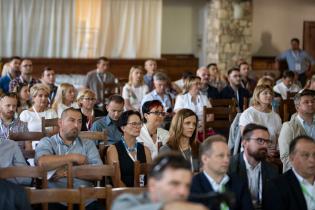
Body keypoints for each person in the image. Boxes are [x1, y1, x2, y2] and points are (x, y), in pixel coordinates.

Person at [35, 108, 104, 210]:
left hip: (86, 199)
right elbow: (42, 163)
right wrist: (74, 157)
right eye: (72, 120)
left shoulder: (88, 144)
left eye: (79, 121)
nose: (76, 125)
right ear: (60, 123)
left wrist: (67, 171)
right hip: (56, 198)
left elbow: (99, 173)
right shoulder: (47, 142)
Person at [111, 152, 207, 210]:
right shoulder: (126, 202)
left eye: (187, 186)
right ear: (153, 185)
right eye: (174, 183)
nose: (183, 192)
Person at [189, 135, 254, 210]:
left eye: (228, 156)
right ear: (205, 159)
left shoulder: (239, 182)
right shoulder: (192, 186)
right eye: (221, 156)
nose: (226, 160)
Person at [229, 123, 279, 209]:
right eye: (260, 140)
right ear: (245, 142)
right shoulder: (230, 167)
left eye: (267, 141)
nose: (265, 145)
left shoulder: (272, 170)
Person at [265, 135, 315, 210]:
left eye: (314, 155)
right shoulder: (277, 187)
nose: (312, 160)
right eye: (305, 155)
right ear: (292, 158)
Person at [107, 110, 152, 187]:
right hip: (123, 195)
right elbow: (117, 181)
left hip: (143, 194)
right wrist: (131, 196)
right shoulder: (113, 150)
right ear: (123, 127)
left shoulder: (146, 150)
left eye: (139, 123)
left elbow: (151, 177)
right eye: (133, 124)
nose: (138, 126)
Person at [279, 89, 315, 172]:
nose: (311, 104)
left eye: (313, 101)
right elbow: (285, 157)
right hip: (297, 175)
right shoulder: (288, 127)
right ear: (297, 107)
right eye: (306, 102)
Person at [20, 83, 58, 148]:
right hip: (33, 148)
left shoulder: (52, 112)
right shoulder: (25, 114)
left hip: (51, 147)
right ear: (33, 97)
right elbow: (25, 139)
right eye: (40, 96)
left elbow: (56, 134)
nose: (44, 98)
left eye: (46, 96)